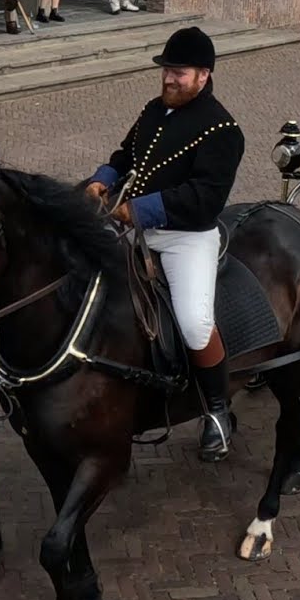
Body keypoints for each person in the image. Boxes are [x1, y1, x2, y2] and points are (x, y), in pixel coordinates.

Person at [83, 27, 246, 462]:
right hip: (136, 228)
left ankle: (216, 412)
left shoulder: (225, 131)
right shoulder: (155, 110)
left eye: (179, 71)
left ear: (204, 76)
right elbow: (125, 154)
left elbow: (204, 199)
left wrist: (138, 211)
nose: (169, 78)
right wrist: (103, 178)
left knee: (194, 324)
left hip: (185, 239)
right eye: (166, 70)